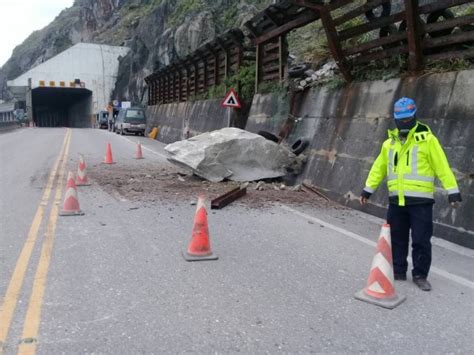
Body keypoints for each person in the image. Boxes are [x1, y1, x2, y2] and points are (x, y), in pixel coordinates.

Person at [359, 97, 462, 291]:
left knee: (421, 239)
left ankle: (420, 274)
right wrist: (368, 190)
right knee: (396, 237)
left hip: (421, 201)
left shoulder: (428, 140)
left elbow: (442, 167)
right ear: (395, 119)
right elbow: (378, 168)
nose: (405, 122)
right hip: (396, 200)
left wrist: (453, 192)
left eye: (408, 119)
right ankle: (398, 270)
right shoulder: (389, 144)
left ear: (414, 117)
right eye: (401, 119)